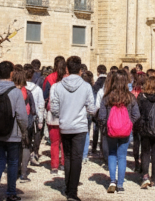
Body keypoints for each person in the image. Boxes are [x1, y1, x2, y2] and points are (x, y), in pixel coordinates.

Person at [49, 56, 98, 201]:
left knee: (68, 156)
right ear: (81, 70)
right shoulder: (86, 86)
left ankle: (67, 185)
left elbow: (54, 109)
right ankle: (72, 191)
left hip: (64, 125)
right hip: (80, 127)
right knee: (76, 158)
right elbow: (91, 108)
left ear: (66, 69)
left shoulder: (57, 86)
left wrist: (64, 113)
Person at [0, 61, 28, 201]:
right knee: (13, 163)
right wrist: (24, 131)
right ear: (11, 73)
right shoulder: (16, 91)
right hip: (12, 134)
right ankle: (11, 193)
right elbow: (21, 116)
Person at [97, 70, 140, 194]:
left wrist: (107, 125)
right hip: (125, 131)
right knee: (122, 156)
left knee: (112, 154)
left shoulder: (107, 97)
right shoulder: (130, 97)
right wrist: (129, 123)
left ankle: (112, 181)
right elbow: (136, 114)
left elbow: (101, 116)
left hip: (111, 130)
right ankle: (120, 184)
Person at [43, 56, 66, 175]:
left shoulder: (49, 78)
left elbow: (45, 95)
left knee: (54, 142)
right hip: (67, 113)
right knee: (65, 142)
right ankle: (64, 164)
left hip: (53, 113)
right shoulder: (68, 79)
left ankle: (54, 166)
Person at [24, 64, 46, 166]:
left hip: (23, 116)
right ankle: (34, 153)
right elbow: (41, 105)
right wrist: (41, 120)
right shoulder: (37, 89)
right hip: (34, 116)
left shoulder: (21, 87)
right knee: (36, 135)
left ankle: (25, 155)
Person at [90, 65, 107, 157]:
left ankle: (94, 147)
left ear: (98, 72)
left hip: (99, 109)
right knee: (104, 132)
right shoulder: (109, 82)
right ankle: (103, 150)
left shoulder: (96, 84)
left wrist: (94, 111)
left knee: (96, 129)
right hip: (107, 110)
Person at [131, 73, 146, 172]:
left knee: (136, 141)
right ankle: (143, 163)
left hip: (136, 120)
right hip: (145, 120)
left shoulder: (132, 93)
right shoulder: (146, 93)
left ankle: (136, 162)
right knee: (144, 143)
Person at [81, 71, 95, 164]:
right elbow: (91, 102)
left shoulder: (80, 87)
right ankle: (84, 155)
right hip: (88, 113)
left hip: (80, 112)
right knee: (86, 133)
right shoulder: (91, 88)